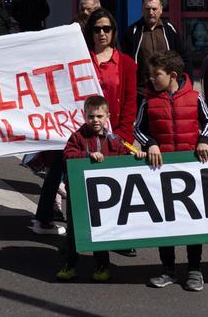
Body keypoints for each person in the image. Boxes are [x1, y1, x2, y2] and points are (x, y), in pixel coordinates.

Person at [135, 50, 208, 292]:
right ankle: (167, 269)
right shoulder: (149, 101)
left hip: (190, 170)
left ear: (172, 75)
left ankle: (194, 269)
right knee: (165, 221)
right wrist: (151, 144)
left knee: (192, 220)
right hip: (161, 171)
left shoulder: (194, 97)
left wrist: (203, 140)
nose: (151, 79)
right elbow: (138, 128)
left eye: (155, 75)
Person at [56, 96, 142, 282]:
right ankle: (70, 265)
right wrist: (87, 155)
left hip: (102, 197)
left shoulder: (115, 140)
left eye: (99, 116)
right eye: (91, 116)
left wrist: (138, 155)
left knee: (100, 231)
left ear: (107, 117)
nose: (95, 120)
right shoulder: (78, 137)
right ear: (84, 116)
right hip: (79, 194)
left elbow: (127, 152)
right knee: (73, 232)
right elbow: (67, 155)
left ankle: (102, 266)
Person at [86, 9, 138, 144]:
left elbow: (130, 103)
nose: (102, 33)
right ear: (90, 33)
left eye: (106, 29)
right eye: (97, 29)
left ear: (113, 31)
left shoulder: (127, 63)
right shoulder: (81, 61)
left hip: (116, 134)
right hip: (85, 134)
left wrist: (122, 135)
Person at [124, 0, 187, 96]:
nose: (151, 12)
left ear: (161, 9)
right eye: (147, 9)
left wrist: (186, 82)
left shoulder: (170, 29)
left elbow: (183, 56)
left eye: (154, 9)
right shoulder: (132, 32)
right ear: (142, 10)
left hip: (168, 90)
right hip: (141, 91)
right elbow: (125, 61)